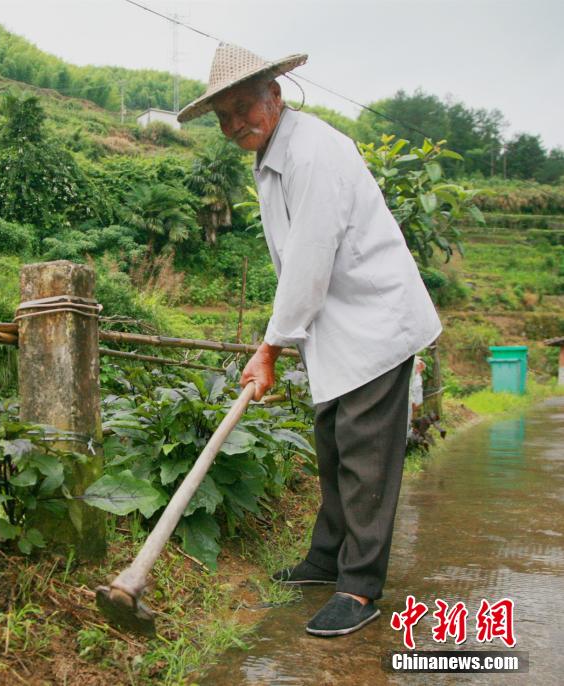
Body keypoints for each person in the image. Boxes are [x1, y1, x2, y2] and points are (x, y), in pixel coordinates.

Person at [178, 44, 442, 637]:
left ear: (275, 95)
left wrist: (269, 348)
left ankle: (359, 586)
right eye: (223, 117)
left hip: (375, 322)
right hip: (337, 325)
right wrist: (282, 339)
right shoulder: (274, 153)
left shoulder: (313, 153)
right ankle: (327, 558)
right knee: (332, 442)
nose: (234, 124)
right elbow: (299, 260)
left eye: (243, 107)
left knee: (365, 457)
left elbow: (309, 258)